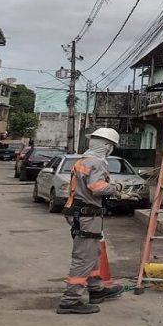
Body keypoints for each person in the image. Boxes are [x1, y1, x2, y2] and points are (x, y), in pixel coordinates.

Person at [57, 127, 125, 315]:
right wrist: (116, 188)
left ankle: (96, 289)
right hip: (87, 215)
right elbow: (97, 187)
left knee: (93, 253)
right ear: (107, 147)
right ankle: (70, 301)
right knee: (84, 257)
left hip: (82, 213)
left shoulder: (84, 161)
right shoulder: (96, 163)